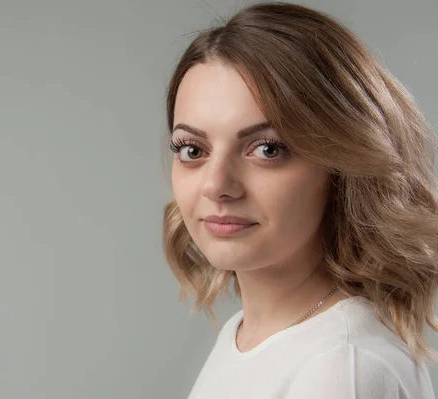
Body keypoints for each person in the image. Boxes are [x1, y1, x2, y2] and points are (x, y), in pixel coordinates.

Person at [162, 2, 438, 398]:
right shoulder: (247, 336)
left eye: (267, 149)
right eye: (192, 150)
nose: (217, 185)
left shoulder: (343, 368)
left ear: (341, 167)